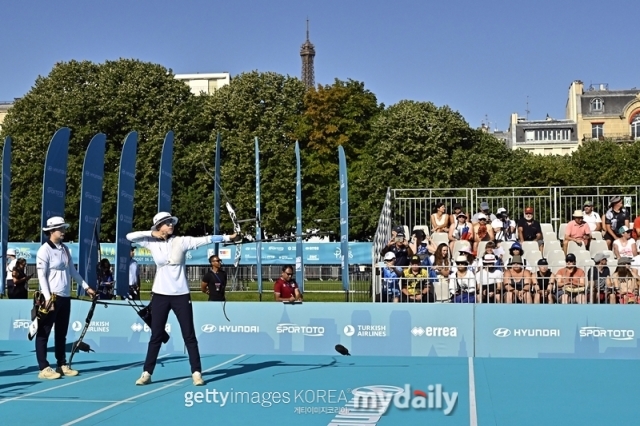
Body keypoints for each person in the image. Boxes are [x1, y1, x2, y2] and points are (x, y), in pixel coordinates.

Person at [126, 211, 237, 386]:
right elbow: (129, 236)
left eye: (171, 222)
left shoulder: (181, 241)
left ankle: (196, 373)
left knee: (189, 335)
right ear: (159, 226)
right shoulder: (151, 242)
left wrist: (229, 237)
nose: (171, 225)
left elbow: (206, 239)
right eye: (167, 222)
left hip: (181, 295)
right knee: (156, 335)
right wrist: (152, 233)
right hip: (160, 295)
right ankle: (147, 373)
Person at [35, 216, 96, 380]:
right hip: (51, 297)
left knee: (61, 333)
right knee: (44, 332)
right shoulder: (44, 250)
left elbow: (73, 272)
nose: (63, 231)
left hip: (65, 296)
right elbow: (42, 277)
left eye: (63, 228)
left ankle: (61, 364)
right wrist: (48, 298)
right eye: (60, 229)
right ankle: (44, 367)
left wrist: (86, 287)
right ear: (51, 231)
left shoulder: (65, 249)